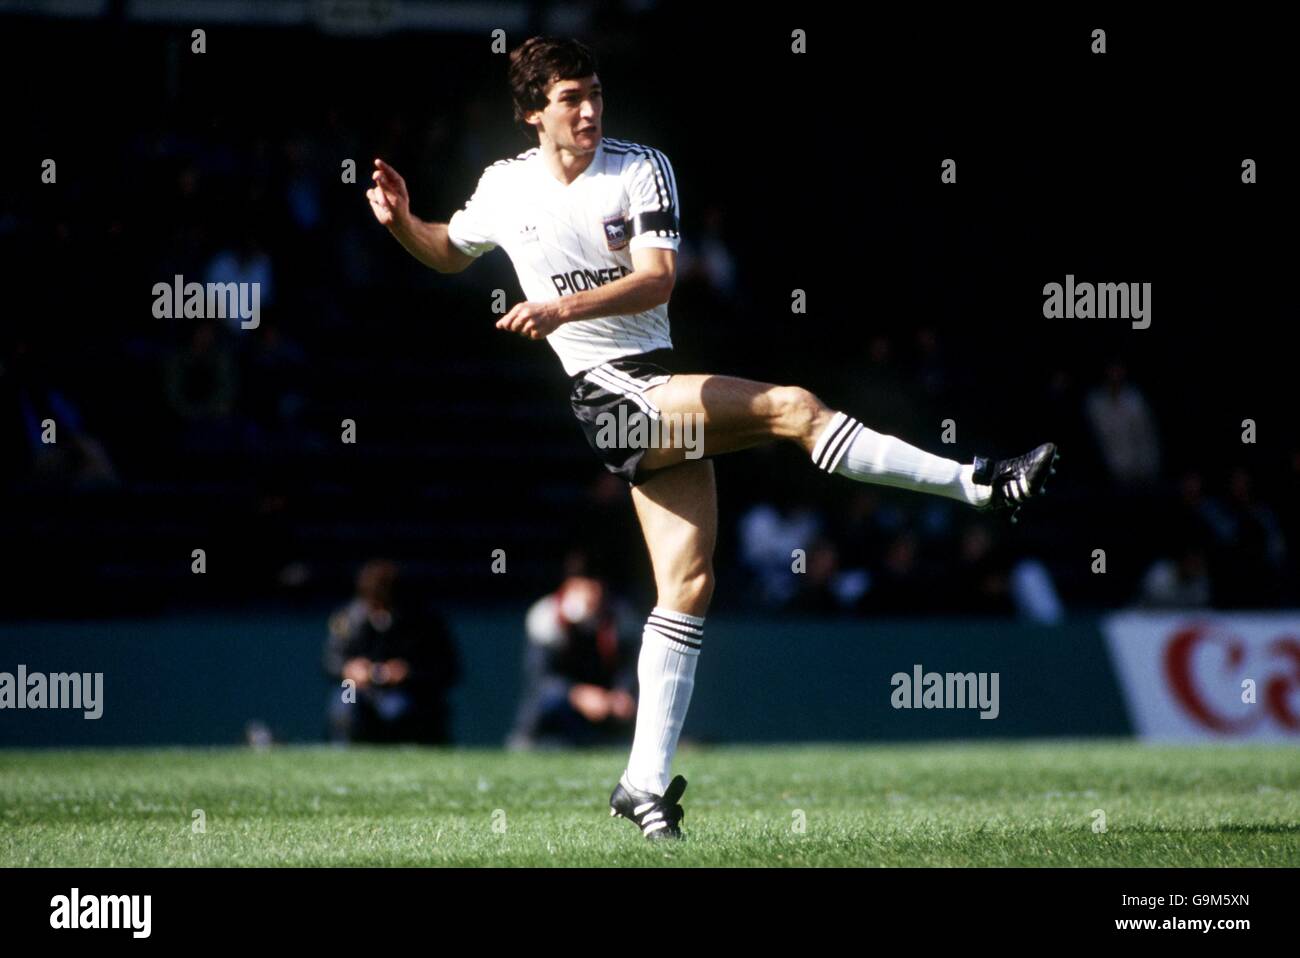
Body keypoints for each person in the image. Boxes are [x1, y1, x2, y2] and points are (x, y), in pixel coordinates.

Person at [366, 37, 1059, 838]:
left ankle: (640, 785)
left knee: (687, 589)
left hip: (654, 378)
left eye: (594, 93)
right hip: (607, 395)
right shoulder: (505, 185)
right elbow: (451, 250)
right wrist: (403, 222)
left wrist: (557, 308)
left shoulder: (639, 168)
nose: (589, 110)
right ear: (533, 113)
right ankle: (980, 484)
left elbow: (659, 276)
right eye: (570, 99)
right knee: (794, 407)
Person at [324, 559, 460, 745]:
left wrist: (408, 672)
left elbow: (448, 668)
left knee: (408, 710)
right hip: (361, 691)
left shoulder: (424, 621)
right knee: (346, 700)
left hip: (410, 692)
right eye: (374, 604)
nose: (380, 611)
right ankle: (344, 753)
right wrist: (349, 669)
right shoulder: (347, 619)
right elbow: (332, 659)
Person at [507, 574, 638, 750]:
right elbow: (540, 679)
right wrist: (577, 695)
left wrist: (620, 694)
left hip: (603, 719)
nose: (591, 594)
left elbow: (628, 669)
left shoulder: (618, 618)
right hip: (553, 719)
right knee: (550, 700)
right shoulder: (548, 617)